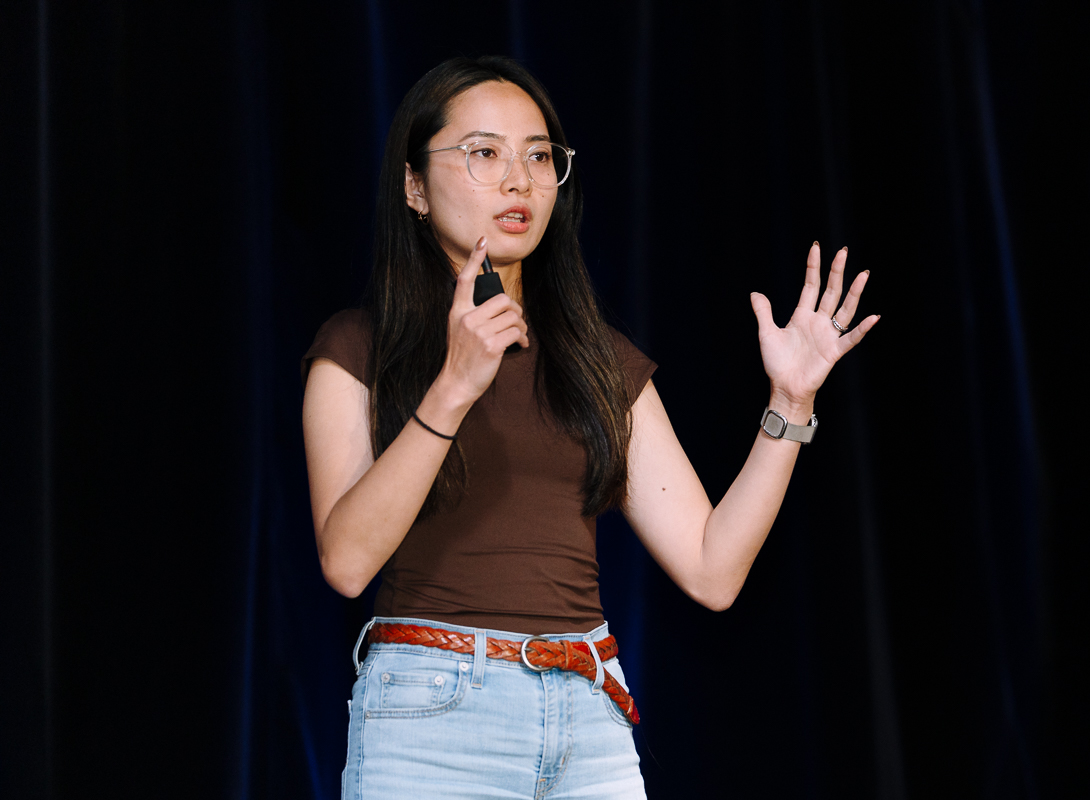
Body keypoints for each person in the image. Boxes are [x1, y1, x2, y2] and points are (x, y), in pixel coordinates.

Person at [301, 55, 877, 800]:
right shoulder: (355, 347)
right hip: (432, 717)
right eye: (485, 154)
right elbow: (346, 562)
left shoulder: (596, 357)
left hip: (589, 716)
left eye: (540, 156)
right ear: (414, 185)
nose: (520, 180)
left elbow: (712, 569)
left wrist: (790, 403)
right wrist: (453, 387)